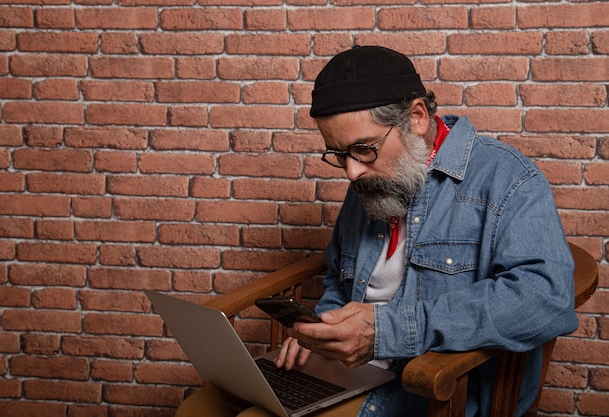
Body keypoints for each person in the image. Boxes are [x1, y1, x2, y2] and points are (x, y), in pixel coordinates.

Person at [177, 45, 578, 417]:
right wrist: (322, 328)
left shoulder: (506, 179)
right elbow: (339, 275)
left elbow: (546, 299)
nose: (351, 171)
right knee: (198, 410)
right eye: (338, 154)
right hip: (346, 367)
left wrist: (390, 331)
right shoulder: (371, 180)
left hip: (431, 385)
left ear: (417, 118)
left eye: (363, 149)